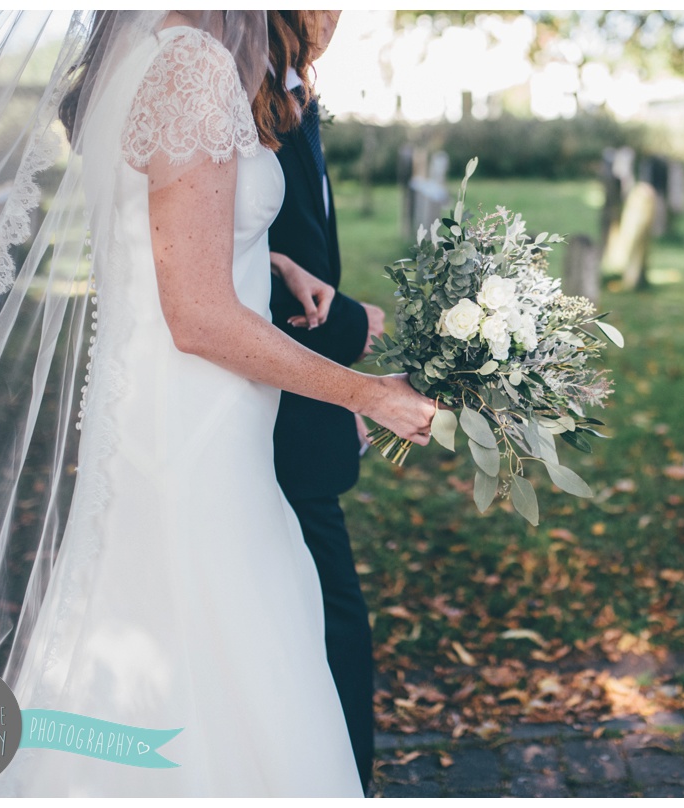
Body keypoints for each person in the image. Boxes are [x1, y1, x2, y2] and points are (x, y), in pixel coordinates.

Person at [0, 10, 435, 797]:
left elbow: (158, 228)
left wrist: (267, 254)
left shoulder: (152, 56)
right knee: (215, 646)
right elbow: (199, 317)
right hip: (192, 433)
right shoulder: (194, 68)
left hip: (184, 423)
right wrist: (368, 394)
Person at [263, 10, 382, 790]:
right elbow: (216, 281)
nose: (333, 13)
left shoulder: (293, 88)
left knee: (308, 622)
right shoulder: (230, 86)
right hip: (270, 423)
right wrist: (351, 327)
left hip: (300, 411)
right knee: (331, 629)